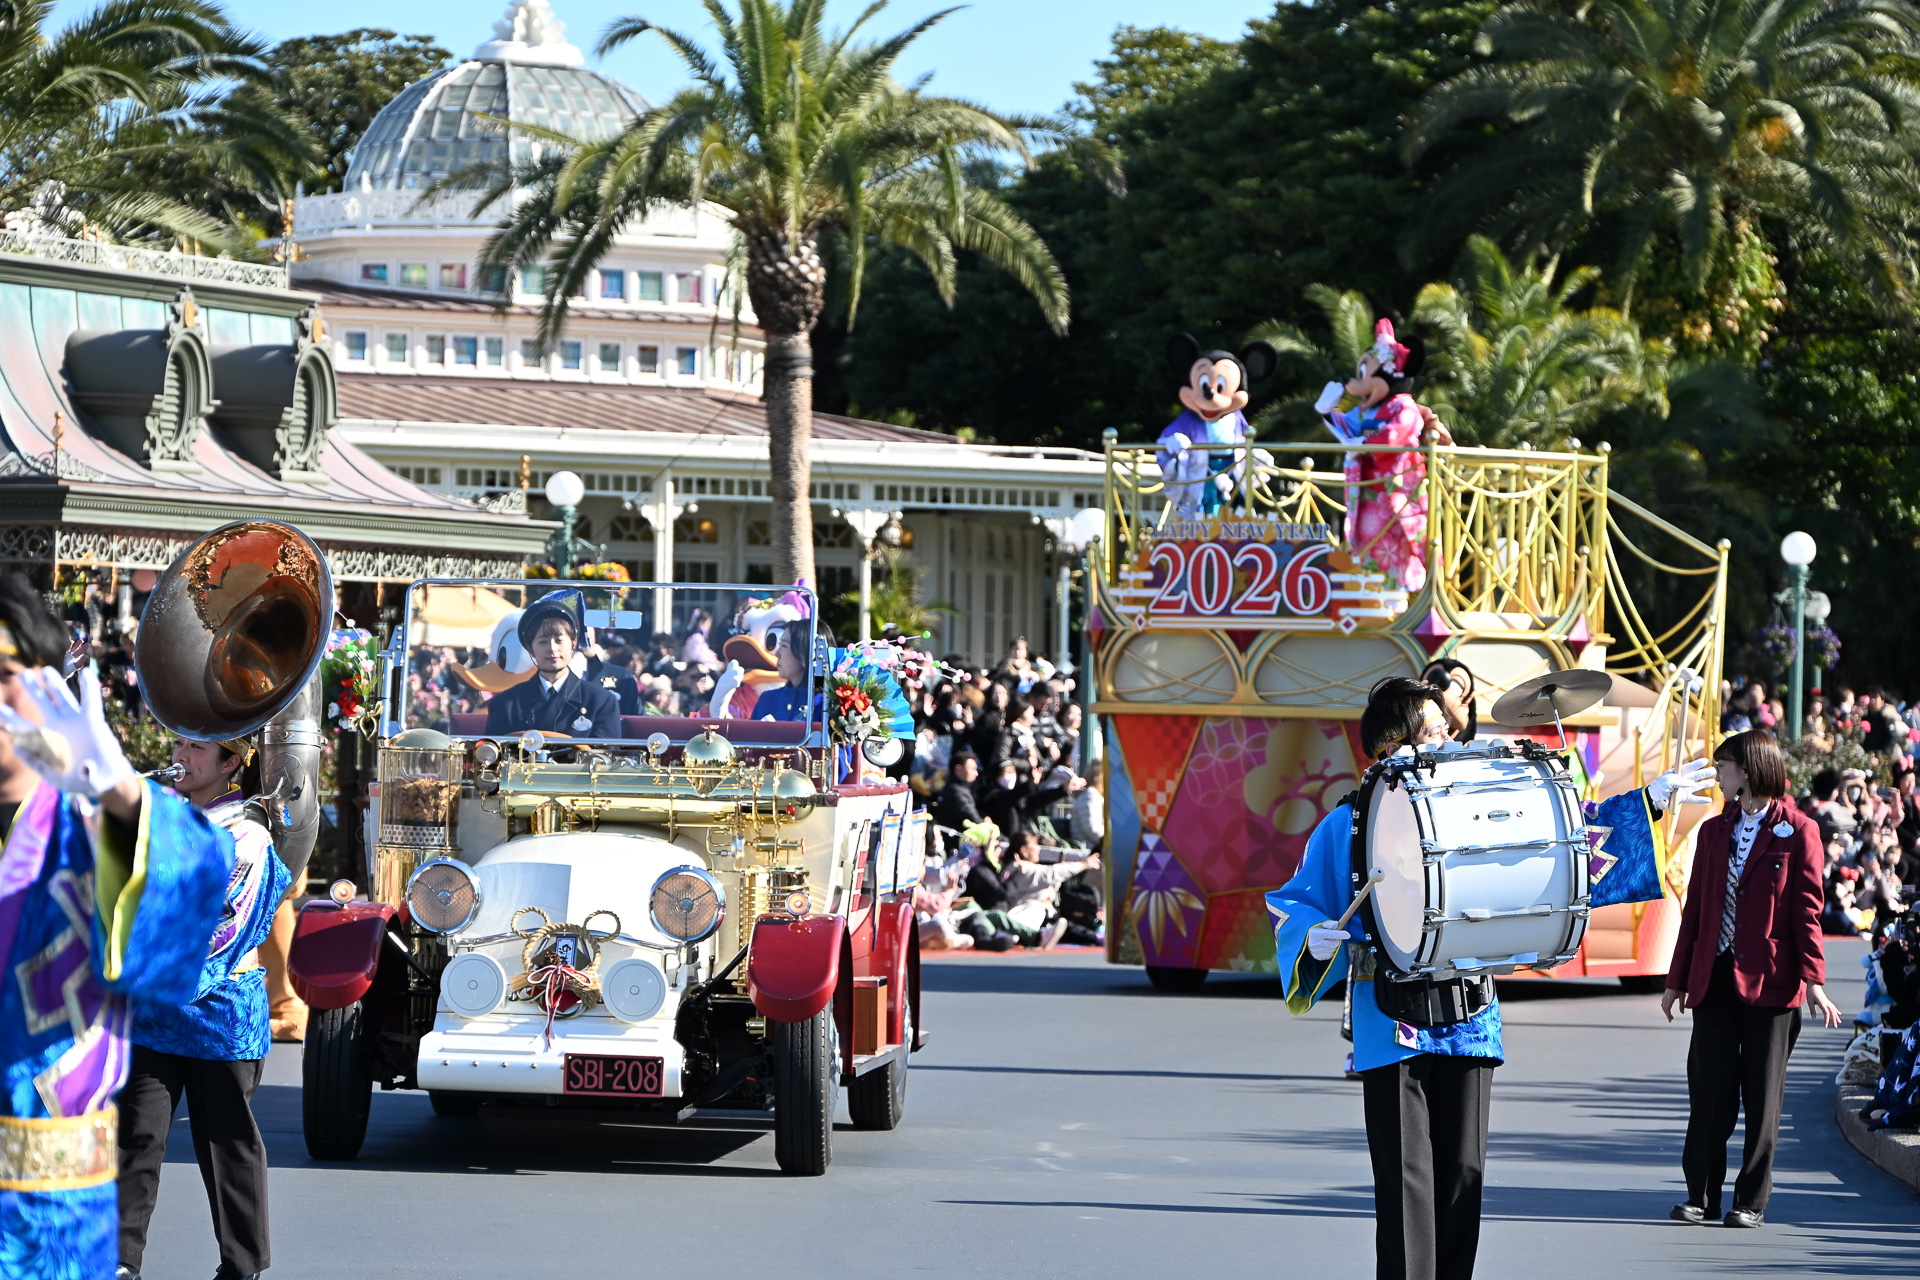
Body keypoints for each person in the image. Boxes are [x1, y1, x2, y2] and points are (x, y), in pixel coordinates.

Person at [1269, 675, 1710, 1280]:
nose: (1450, 733)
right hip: (1388, 1016)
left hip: (1471, 1011)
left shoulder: (1477, 800)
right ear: (1393, 745)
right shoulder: (1347, 826)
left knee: (1463, 1176)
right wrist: (1313, 939)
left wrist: (1650, 802)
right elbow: (1294, 905)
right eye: (1434, 728)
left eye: (1446, 725)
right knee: (1406, 1181)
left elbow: (1566, 845)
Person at [0, 573, 232, 1277]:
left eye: (5, 674)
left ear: (50, 687)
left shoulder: (91, 824)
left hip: (46, 1207)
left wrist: (119, 791)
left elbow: (186, 900)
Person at [117, 737, 289, 1280]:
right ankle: (118, 1263)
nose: (181, 756)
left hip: (218, 1011)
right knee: (136, 1137)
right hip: (156, 1009)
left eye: (197, 747)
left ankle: (242, 1267)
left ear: (232, 763)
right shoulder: (161, 816)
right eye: (177, 743)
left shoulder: (248, 835)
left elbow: (224, 927)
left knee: (226, 1142)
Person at [1663, 729, 1843, 1229]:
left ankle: (1750, 1201)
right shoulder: (1713, 832)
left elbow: (1808, 912)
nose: (1718, 775)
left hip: (1773, 984)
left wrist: (1815, 980)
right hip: (1715, 978)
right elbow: (1695, 911)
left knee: (1763, 1099)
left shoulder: (1800, 830)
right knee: (1709, 1094)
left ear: (1748, 769)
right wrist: (1676, 980)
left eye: (1724, 766)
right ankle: (1700, 1195)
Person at [483, 590, 621, 738]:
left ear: (573, 644)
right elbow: (494, 754)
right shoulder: (506, 704)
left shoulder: (600, 701)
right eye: (543, 642)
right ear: (530, 648)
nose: (552, 649)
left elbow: (607, 756)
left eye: (559, 640)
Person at [931, 749, 985, 832]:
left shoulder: (961, 789)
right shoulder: (954, 791)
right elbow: (971, 817)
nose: (976, 773)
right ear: (958, 769)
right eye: (972, 769)